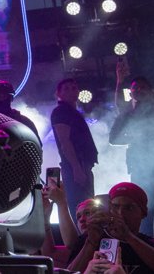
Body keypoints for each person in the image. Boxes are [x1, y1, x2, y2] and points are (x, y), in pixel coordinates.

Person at [110, 67, 154, 235]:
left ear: (150, 90)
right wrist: (134, 139)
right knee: (145, 213)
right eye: (135, 88)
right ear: (131, 93)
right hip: (141, 171)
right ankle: (148, 247)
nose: (139, 90)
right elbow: (114, 139)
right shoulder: (128, 114)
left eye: (143, 87)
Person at [81, 182, 154, 274]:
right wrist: (90, 244)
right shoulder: (92, 238)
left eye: (129, 208)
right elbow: (68, 270)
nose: (120, 214)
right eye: (115, 207)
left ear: (143, 213)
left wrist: (128, 236)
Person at [51, 77, 98, 211]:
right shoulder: (61, 111)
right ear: (58, 94)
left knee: (86, 205)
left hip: (81, 164)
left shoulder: (72, 112)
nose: (71, 91)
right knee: (82, 207)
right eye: (66, 89)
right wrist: (76, 168)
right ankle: (79, 232)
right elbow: (65, 141)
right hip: (76, 165)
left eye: (74, 88)